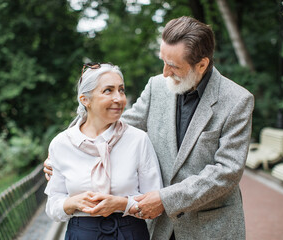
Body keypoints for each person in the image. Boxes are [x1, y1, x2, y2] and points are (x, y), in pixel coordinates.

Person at [45, 16, 254, 240]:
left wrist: (165, 199)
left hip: (209, 227)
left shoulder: (237, 100)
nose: (164, 72)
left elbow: (226, 172)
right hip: (159, 228)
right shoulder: (157, 86)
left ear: (201, 64)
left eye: (173, 65)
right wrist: (69, 146)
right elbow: (120, 123)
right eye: (162, 60)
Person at [44, 62, 162, 240]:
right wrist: (72, 202)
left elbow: (155, 203)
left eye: (121, 90)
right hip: (80, 234)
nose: (119, 98)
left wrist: (121, 204)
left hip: (130, 232)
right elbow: (52, 206)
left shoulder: (138, 139)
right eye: (108, 90)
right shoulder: (61, 144)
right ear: (85, 100)